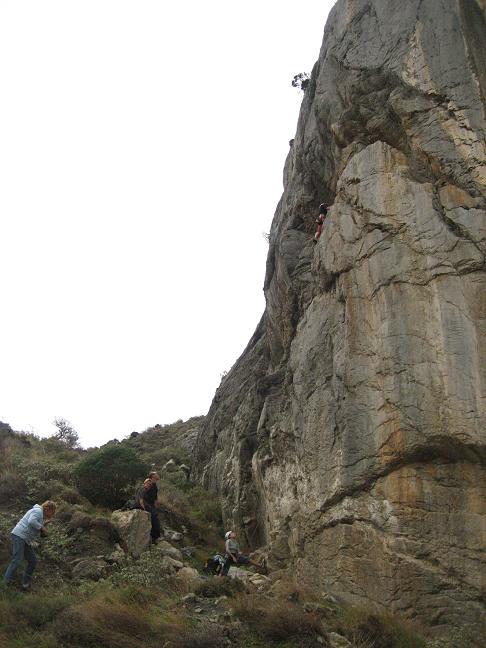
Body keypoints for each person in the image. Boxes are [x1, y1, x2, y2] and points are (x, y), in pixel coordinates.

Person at [3, 500, 56, 590]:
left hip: (25, 539)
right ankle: (5, 584)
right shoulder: (38, 511)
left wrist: (44, 525)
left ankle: (25, 585)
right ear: (47, 509)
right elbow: (31, 521)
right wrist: (42, 527)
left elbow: (34, 527)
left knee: (33, 561)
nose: (52, 514)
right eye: (52, 512)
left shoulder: (40, 515)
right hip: (19, 535)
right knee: (17, 559)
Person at [136, 477, 161, 543]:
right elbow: (141, 500)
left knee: (154, 516)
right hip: (142, 506)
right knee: (154, 517)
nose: (149, 485)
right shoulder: (143, 489)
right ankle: (156, 536)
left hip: (145, 506)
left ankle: (155, 536)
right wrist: (144, 509)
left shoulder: (143, 489)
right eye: (148, 484)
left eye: (150, 485)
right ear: (145, 483)